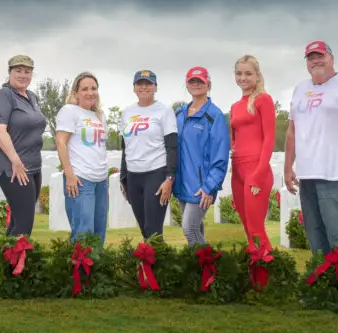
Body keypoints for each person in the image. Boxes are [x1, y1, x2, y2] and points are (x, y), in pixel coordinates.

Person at [284, 41, 338, 255]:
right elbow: (292, 131)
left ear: (331, 58)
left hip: (336, 176)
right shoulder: (300, 88)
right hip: (307, 174)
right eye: (311, 58)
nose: (315, 61)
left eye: (320, 55)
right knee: (315, 237)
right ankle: (324, 286)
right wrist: (288, 167)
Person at [0, 55, 47, 236]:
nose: (23, 75)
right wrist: (15, 160)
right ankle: (17, 264)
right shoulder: (4, 95)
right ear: (9, 73)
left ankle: (6, 262)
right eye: (18, 70)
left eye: (27, 71)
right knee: (24, 224)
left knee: (17, 221)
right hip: (12, 167)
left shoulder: (32, 97)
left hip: (33, 166)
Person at [173, 66, 230, 246]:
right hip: (182, 183)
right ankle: (200, 272)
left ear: (208, 84)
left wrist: (209, 186)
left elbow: (220, 154)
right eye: (192, 81)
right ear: (187, 84)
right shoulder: (179, 113)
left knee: (189, 228)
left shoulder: (214, 115)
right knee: (196, 230)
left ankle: (215, 267)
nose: (196, 84)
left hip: (201, 186)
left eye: (200, 81)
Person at [119, 70, 177, 240]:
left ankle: (159, 264)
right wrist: (124, 178)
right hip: (133, 176)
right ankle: (151, 264)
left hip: (156, 173)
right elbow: (125, 147)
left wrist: (170, 178)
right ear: (134, 88)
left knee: (153, 230)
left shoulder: (164, 111)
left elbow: (172, 146)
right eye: (140, 83)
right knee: (144, 230)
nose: (144, 87)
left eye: (148, 83)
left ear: (155, 87)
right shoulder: (126, 113)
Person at [56, 72, 110, 244]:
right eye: (84, 89)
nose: (90, 92)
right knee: (83, 231)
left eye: (93, 88)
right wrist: (69, 174)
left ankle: (97, 270)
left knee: (99, 230)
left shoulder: (99, 116)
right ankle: (79, 270)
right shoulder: (70, 111)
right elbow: (61, 143)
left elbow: (99, 147)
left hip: (100, 179)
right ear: (76, 93)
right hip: (80, 179)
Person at [229, 55, 276, 250]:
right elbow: (234, 138)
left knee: (257, 230)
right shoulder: (235, 106)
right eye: (239, 73)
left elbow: (269, 139)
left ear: (257, 75)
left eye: (248, 73)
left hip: (256, 170)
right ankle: (255, 278)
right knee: (249, 231)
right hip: (238, 171)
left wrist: (258, 175)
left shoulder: (263, 100)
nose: (243, 78)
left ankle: (270, 276)